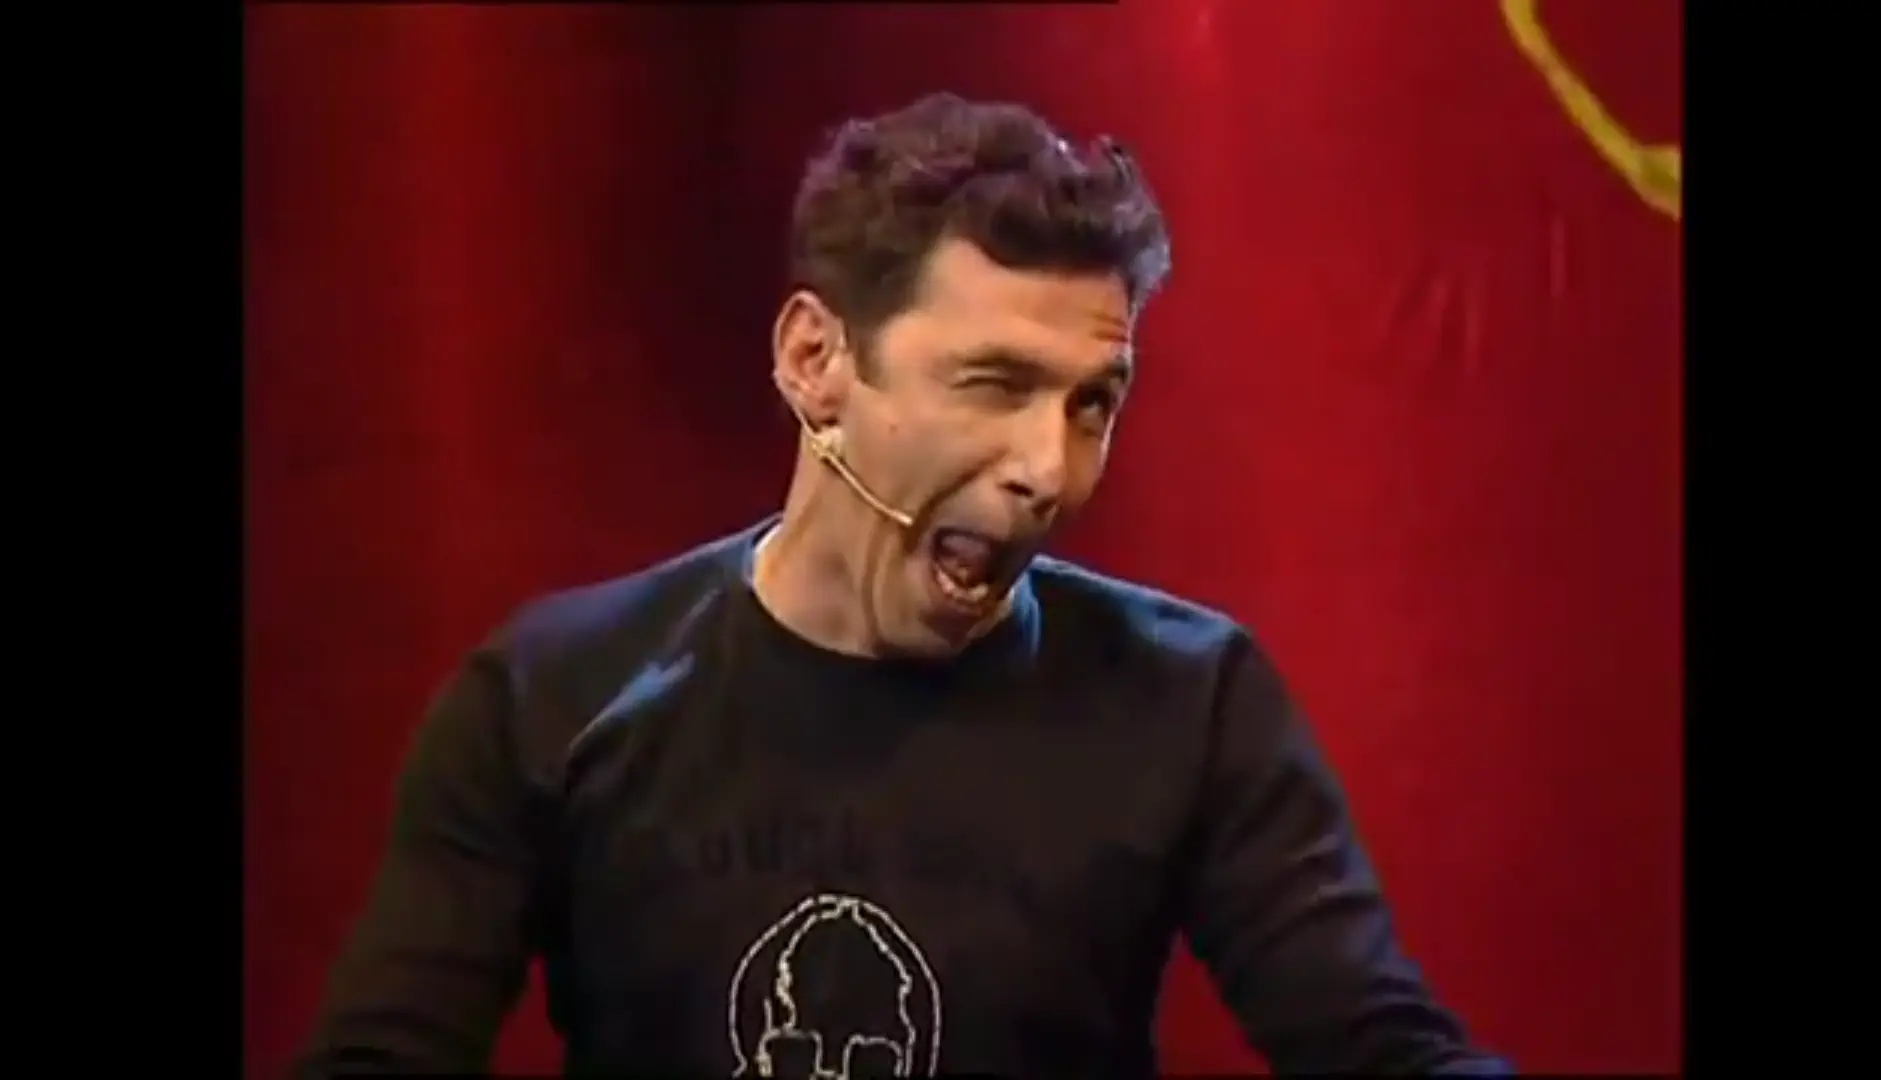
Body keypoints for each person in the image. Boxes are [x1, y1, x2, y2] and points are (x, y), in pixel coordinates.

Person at [300, 92, 1510, 1078]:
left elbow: (1380, 1050)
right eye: (995, 385)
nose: (1050, 471)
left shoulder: (1194, 703)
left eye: (1092, 404)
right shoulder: (550, 698)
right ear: (815, 361)